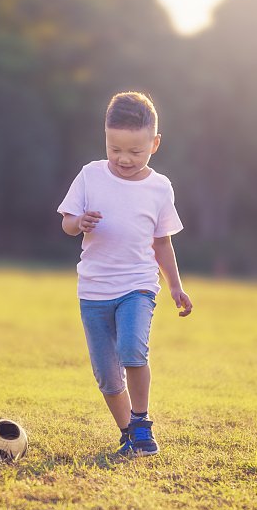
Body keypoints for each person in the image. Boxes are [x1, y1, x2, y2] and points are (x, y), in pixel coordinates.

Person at [57, 92, 193, 456]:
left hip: (138, 285)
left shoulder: (159, 188)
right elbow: (68, 224)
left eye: (135, 151)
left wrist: (175, 286)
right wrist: (78, 222)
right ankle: (127, 433)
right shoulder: (90, 175)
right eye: (115, 148)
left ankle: (142, 422)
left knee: (133, 349)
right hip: (94, 288)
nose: (124, 159)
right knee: (106, 375)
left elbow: (161, 242)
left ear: (155, 143)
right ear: (105, 138)